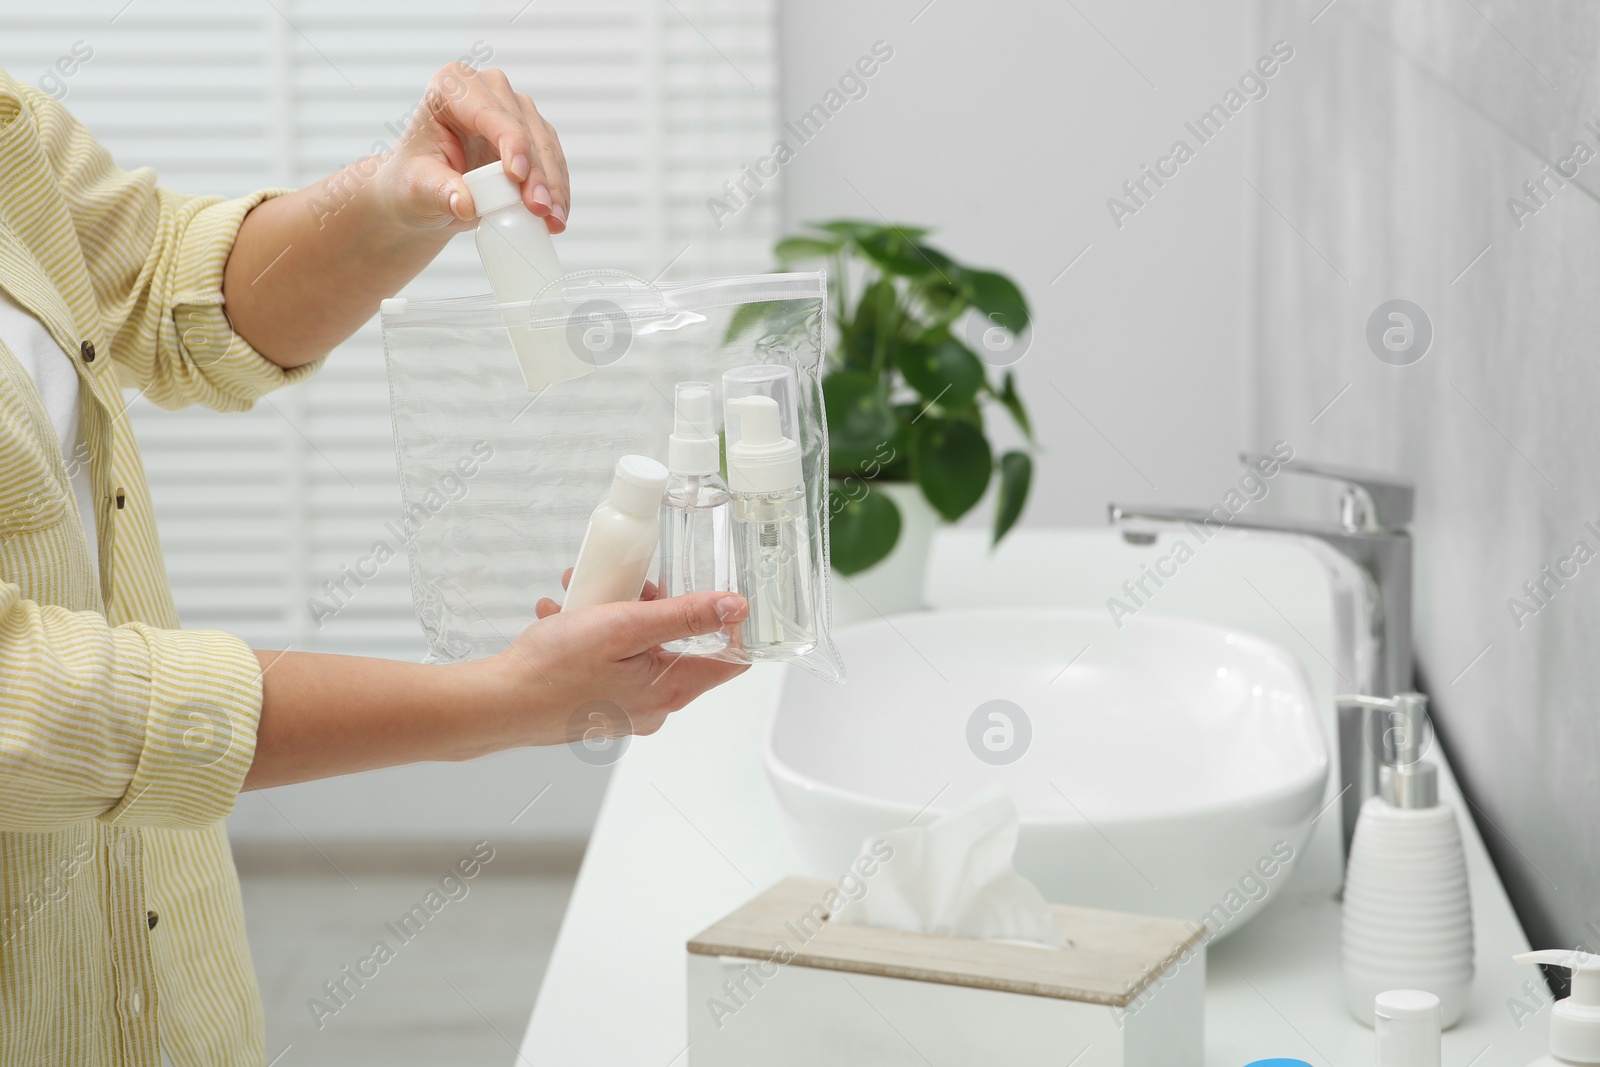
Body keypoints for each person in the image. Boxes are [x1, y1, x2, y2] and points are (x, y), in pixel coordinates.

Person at [0, 61, 749, 1064]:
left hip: (146, 941)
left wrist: (388, 208)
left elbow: (157, 285)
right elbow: (31, 703)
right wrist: (496, 701)